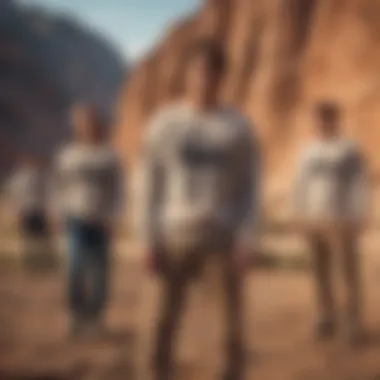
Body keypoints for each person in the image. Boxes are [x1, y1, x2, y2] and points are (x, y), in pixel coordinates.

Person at [138, 38, 260, 380]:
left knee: (230, 329)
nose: (204, 79)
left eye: (212, 72)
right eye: (198, 71)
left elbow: (250, 188)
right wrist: (148, 239)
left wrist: (246, 238)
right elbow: (149, 184)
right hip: (172, 236)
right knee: (159, 324)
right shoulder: (164, 124)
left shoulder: (238, 127)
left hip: (221, 239)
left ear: (223, 77)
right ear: (188, 74)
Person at [292, 102, 369, 345]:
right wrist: (299, 216)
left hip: (341, 219)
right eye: (318, 119)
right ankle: (325, 316)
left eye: (327, 119)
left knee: (347, 274)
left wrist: (358, 215)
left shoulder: (348, 150)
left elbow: (360, 184)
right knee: (319, 272)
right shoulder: (308, 151)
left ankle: (352, 323)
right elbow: (300, 185)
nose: (322, 124)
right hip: (314, 219)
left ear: (335, 120)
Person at [51, 104, 124, 338]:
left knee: (100, 273)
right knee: (74, 270)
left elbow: (118, 190)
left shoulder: (109, 156)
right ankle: (76, 316)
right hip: (76, 219)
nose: (86, 126)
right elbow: (58, 187)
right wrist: (57, 214)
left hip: (101, 221)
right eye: (81, 122)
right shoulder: (68, 156)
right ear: (76, 126)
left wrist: (115, 217)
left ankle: (95, 318)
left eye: (90, 121)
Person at [3, 155, 51, 271]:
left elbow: (46, 195)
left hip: (38, 211)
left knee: (40, 239)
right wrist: (18, 212)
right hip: (26, 212)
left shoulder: (41, 177)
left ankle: (40, 263)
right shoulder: (18, 179)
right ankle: (30, 264)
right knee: (28, 239)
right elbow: (15, 196)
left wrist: (47, 211)